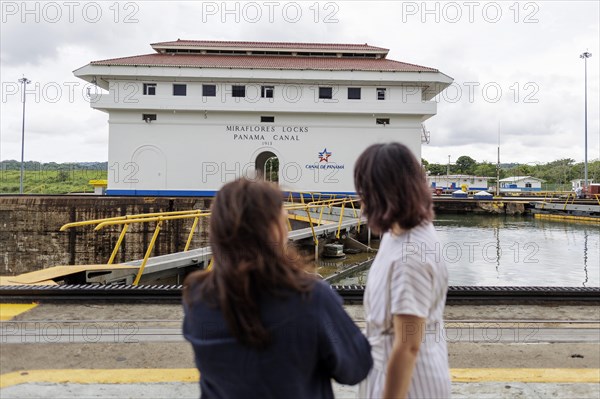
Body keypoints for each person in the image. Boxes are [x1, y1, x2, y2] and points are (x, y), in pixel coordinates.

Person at [182, 178, 372, 399]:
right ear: (275, 233)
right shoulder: (311, 297)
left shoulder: (197, 296)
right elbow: (355, 368)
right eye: (283, 222)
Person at [354, 143, 451, 398]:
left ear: (381, 192)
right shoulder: (400, 233)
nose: (359, 197)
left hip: (409, 385)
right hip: (392, 371)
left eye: (364, 188)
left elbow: (408, 345)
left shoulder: (410, 255)